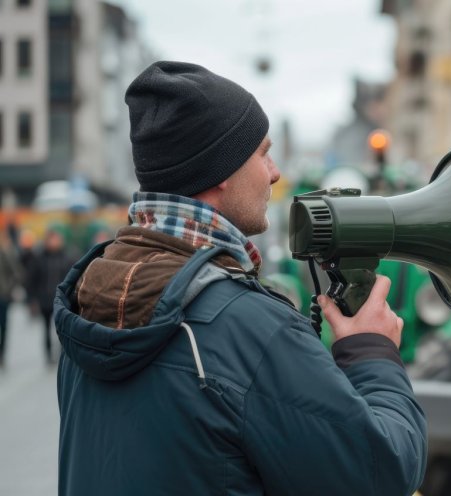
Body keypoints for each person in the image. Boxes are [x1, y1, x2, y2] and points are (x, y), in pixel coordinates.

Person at [54, 61, 426, 496]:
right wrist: (372, 354)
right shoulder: (254, 329)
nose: (274, 172)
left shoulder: (87, 304)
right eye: (263, 153)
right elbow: (382, 474)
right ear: (223, 170)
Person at [26, 226, 73, 364]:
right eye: (52, 239)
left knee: (60, 328)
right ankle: (48, 354)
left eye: (57, 239)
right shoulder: (39, 258)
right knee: (46, 328)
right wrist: (32, 299)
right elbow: (31, 279)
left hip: (61, 300)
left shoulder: (66, 257)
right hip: (45, 299)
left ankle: (61, 353)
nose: (55, 242)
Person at [0, 228, 23, 368]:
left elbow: (17, 273)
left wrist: (8, 289)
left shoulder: (6, 253)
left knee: (3, 326)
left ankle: (2, 353)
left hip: (2, 296)